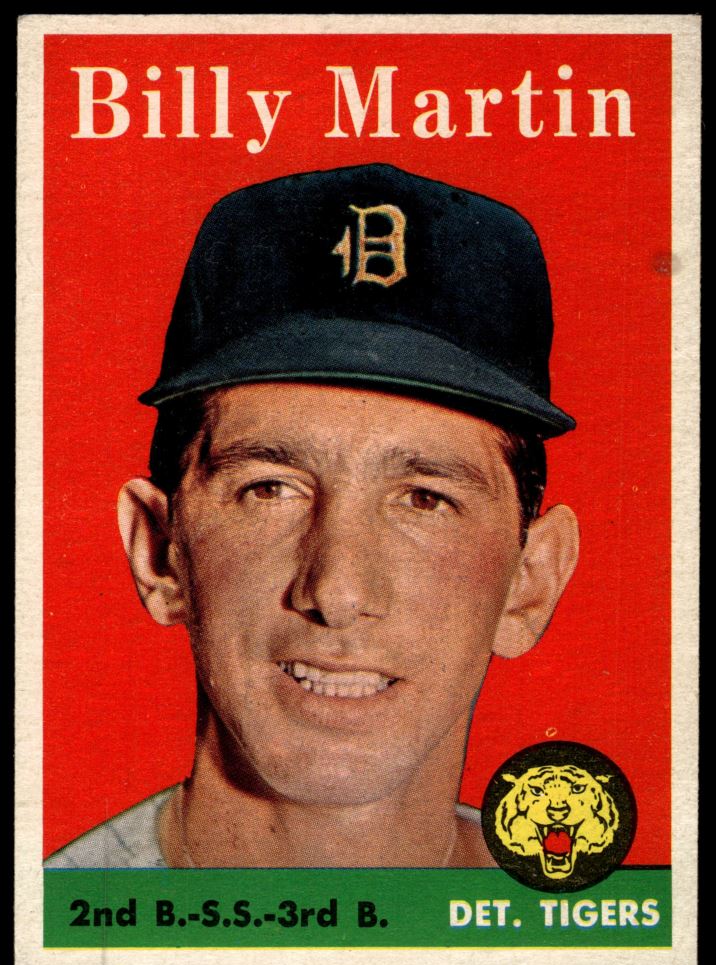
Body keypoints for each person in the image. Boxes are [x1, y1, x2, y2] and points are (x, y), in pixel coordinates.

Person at [45, 163, 579, 869]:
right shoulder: (56, 921)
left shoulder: (594, 924)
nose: (337, 591)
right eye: (270, 489)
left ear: (530, 582)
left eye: (424, 498)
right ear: (158, 551)